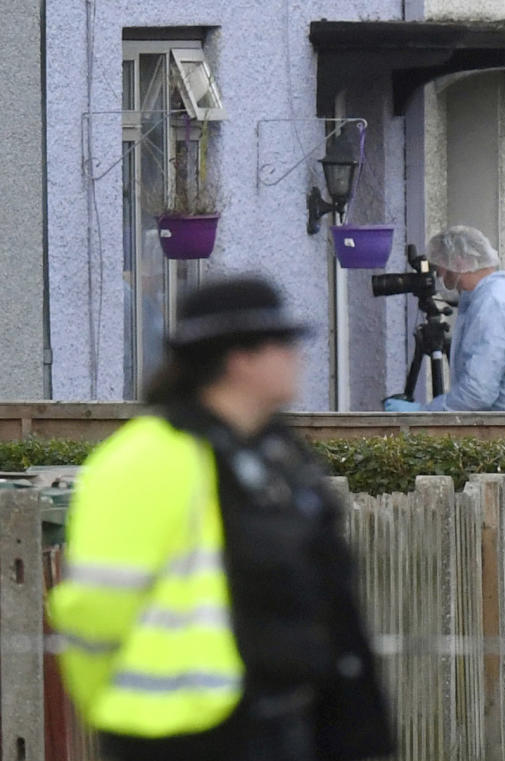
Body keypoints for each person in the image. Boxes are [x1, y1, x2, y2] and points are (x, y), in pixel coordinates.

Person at [49, 276, 392, 761]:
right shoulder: (147, 459)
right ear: (240, 359)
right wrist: (113, 710)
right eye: (283, 343)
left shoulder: (278, 454)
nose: (298, 356)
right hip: (180, 735)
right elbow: (95, 613)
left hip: (282, 724)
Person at [383, 226, 505, 412]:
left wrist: (424, 413)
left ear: (458, 263)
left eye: (441, 271)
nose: (440, 280)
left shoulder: (493, 304)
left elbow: (477, 393)